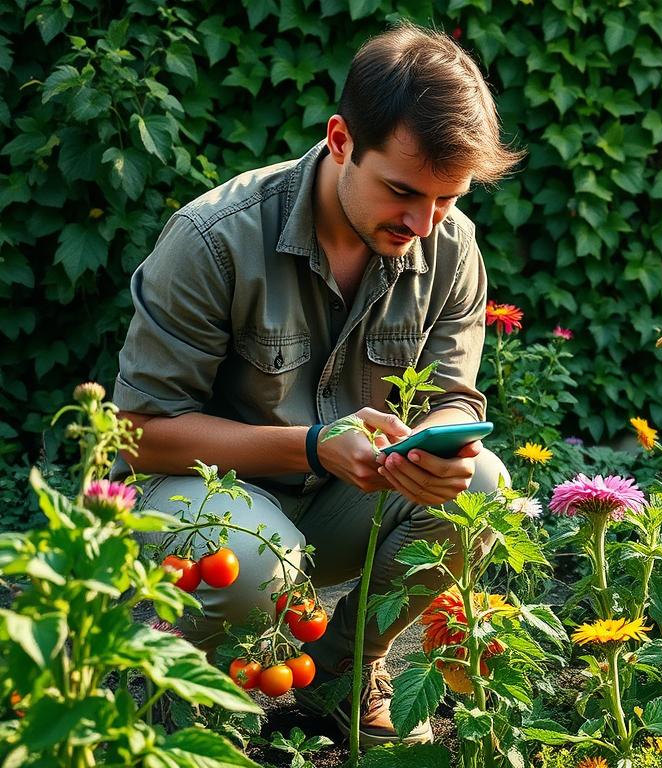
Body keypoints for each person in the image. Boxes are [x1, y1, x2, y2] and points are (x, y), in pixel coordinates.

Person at [112, 23, 524, 746]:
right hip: (199, 496)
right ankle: (171, 700)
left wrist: (437, 444)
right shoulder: (214, 238)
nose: (424, 224)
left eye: (448, 200)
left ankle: (342, 676)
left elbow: (457, 395)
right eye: (402, 191)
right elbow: (139, 434)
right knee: (258, 565)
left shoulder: (448, 244)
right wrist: (312, 445)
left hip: (342, 504)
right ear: (340, 140)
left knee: (482, 488)